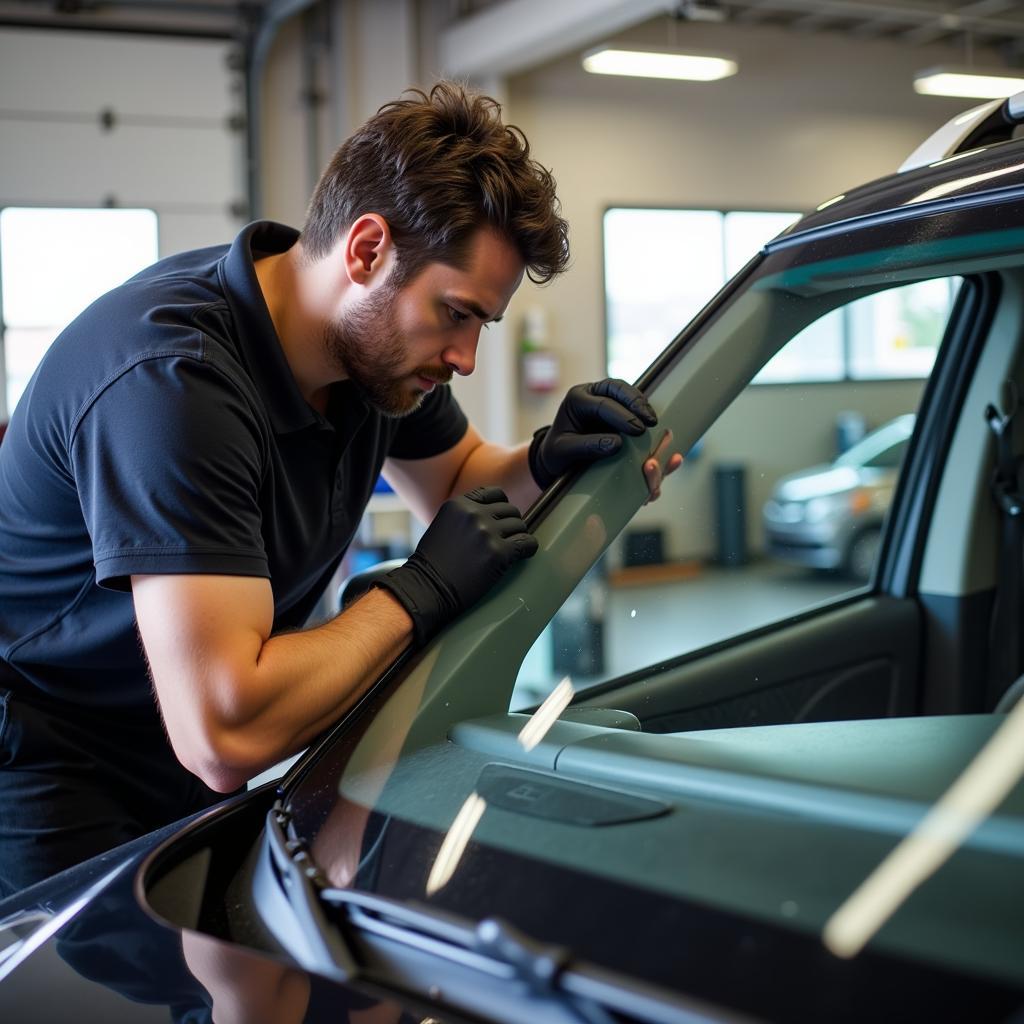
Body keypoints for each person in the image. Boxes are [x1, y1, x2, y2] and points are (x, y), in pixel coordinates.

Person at [0, 82, 679, 897]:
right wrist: (415, 593)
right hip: (48, 753)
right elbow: (224, 729)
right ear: (365, 250)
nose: (464, 357)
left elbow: (458, 482)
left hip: (182, 728)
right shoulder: (175, 386)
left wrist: (546, 459)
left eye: (480, 327)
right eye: (455, 314)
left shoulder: (368, 360)